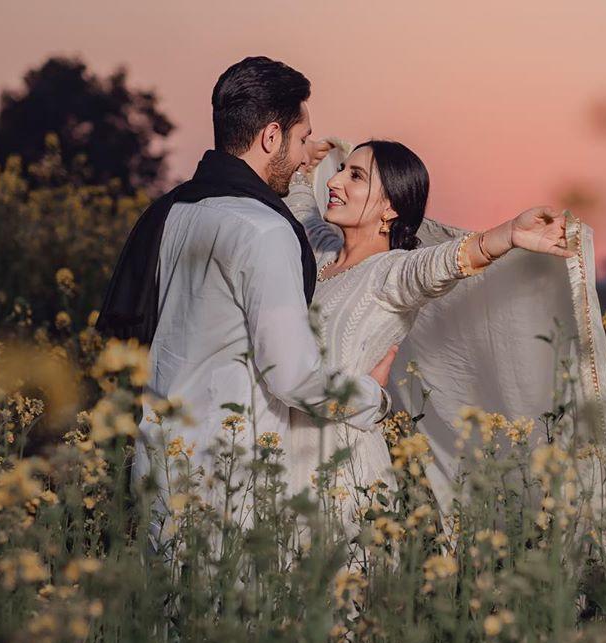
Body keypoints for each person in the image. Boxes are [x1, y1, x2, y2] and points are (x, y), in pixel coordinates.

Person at [95, 57, 396, 541]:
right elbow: (292, 375)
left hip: (159, 466)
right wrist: (372, 398)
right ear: (271, 137)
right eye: (301, 140)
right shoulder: (264, 230)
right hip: (225, 483)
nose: (304, 159)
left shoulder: (176, 212)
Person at [287, 138, 606, 523]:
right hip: (284, 446)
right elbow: (301, 208)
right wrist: (302, 168)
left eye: (355, 176)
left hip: (340, 463)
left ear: (389, 206)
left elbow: (445, 262)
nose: (335, 181)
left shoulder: (392, 274)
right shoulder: (323, 254)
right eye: (342, 170)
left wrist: (508, 235)